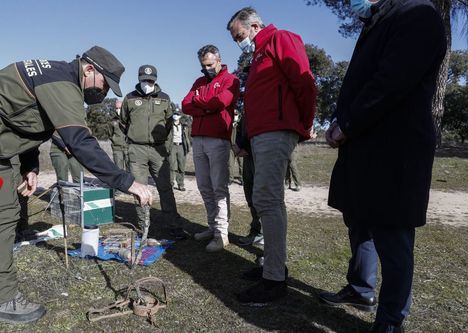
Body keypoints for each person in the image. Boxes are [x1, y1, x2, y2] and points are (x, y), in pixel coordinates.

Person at [0, 45, 152, 324]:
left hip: (4, 150)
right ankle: (3, 298)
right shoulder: (63, 84)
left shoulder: (54, 76)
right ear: (89, 69)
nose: (104, 92)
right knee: (3, 217)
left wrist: (30, 166)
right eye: (105, 84)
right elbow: (80, 142)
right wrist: (126, 182)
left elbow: (25, 121)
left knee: (6, 213)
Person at [319, 1, 446, 332]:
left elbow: (390, 82)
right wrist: (339, 120)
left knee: (392, 235)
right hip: (364, 144)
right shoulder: (377, 20)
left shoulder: (419, 14)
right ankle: (361, 288)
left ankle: (390, 322)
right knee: (359, 220)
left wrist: (346, 123)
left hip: (395, 148)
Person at [227, 7, 317, 304]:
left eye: (239, 35)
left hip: (277, 130)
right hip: (261, 133)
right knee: (265, 199)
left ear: (254, 26)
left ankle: (275, 279)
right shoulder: (257, 56)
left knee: (267, 198)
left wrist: (303, 124)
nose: (238, 41)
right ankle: (272, 265)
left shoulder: (281, 39)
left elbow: (304, 82)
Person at [182, 45, 240, 252]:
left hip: (218, 140)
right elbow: (185, 105)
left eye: (209, 64)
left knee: (219, 188)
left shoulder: (231, 80)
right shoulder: (199, 82)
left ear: (219, 59)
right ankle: (211, 226)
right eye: (203, 66)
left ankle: (221, 234)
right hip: (198, 139)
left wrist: (200, 104)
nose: (206, 69)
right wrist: (205, 105)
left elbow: (221, 102)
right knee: (204, 186)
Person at [120, 65, 187, 240]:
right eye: (143, 80)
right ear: (139, 79)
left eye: (150, 80)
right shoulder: (129, 98)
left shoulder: (165, 99)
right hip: (137, 150)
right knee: (139, 190)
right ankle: (144, 227)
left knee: (166, 188)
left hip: (159, 150)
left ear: (155, 80)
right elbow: (123, 122)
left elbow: (169, 124)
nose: (147, 83)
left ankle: (174, 226)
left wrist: (166, 146)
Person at [232, 51, 263, 247]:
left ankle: (266, 237)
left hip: (262, 155)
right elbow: (246, 124)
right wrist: (240, 145)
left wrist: (247, 147)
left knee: (264, 198)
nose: (248, 77)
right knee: (251, 196)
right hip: (249, 156)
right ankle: (256, 232)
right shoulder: (249, 98)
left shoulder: (266, 95)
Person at [169, 109, 191, 191]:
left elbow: (189, 121)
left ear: (180, 116)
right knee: (171, 166)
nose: (176, 115)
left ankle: (180, 184)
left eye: (177, 114)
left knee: (181, 166)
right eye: (174, 114)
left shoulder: (184, 126)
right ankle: (171, 183)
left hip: (181, 146)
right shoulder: (169, 126)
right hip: (172, 146)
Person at [107, 99, 128, 171]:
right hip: (117, 148)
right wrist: (115, 140)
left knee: (131, 169)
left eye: (120, 108)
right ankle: (121, 182)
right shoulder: (112, 121)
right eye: (116, 108)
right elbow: (110, 134)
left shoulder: (130, 119)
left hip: (129, 147)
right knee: (119, 169)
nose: (118, 110)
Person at [228, 111, 243, 185]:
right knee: (230, 164)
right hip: (231, 145)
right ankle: (230, 178)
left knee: (242, 164)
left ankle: (242, 179)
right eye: (234, 114)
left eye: (236, 114)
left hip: (240, 146)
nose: (235, 115)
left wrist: (237, 123)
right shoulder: (230, 122)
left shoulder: (242, 121)